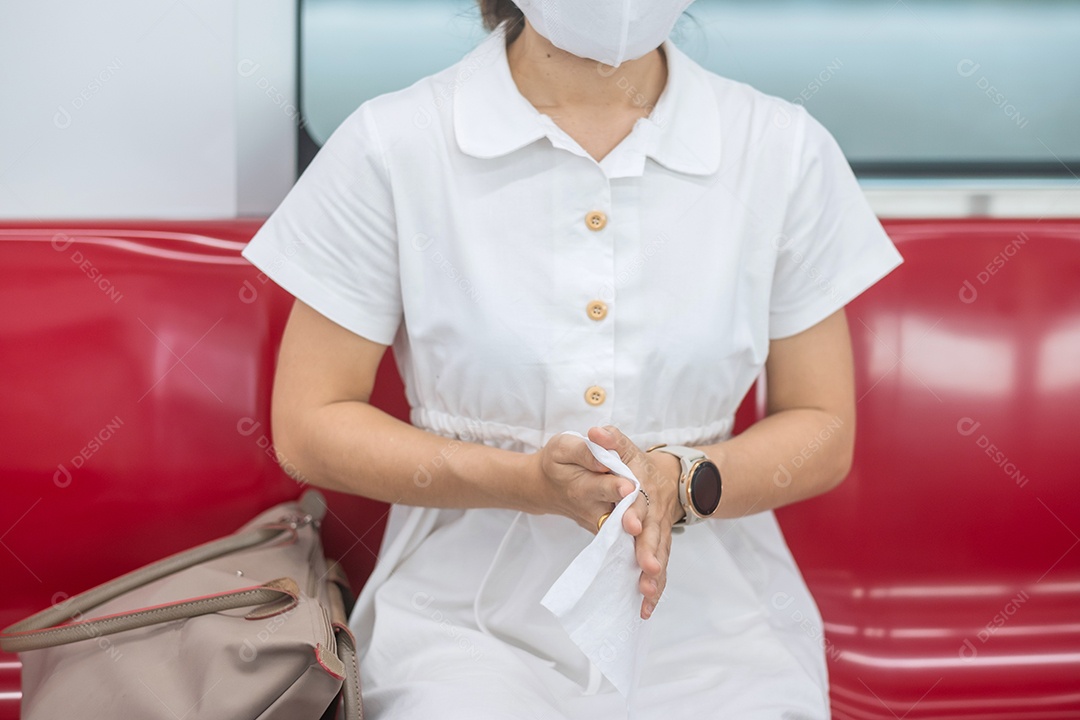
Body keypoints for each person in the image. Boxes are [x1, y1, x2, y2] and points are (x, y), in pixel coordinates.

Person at [241, 0, 903, 716]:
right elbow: (310, 423)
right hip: (463, 612)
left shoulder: (781, 148)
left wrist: (679, 483)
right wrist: (525, 483)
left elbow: (824, 425)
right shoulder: (393, 143)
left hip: (713, 609)